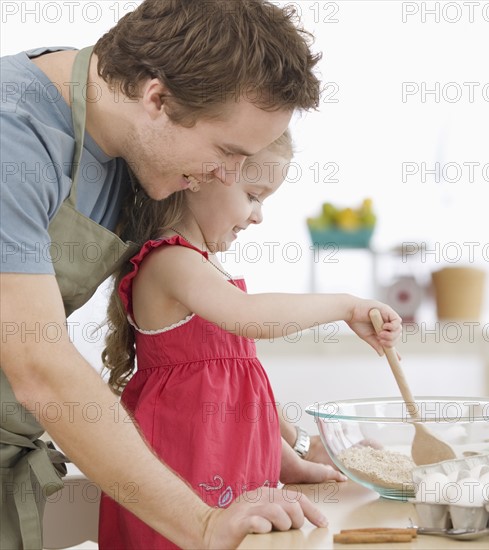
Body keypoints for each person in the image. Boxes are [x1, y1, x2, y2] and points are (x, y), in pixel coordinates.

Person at [0, 1, 338, 548]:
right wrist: (203, 522)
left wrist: (278, 446)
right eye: (227, 153)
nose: (224, 178)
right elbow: (40, 365)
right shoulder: (12, 135)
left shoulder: (137, 155)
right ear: (157, 98)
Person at [97, 130, 402, 548]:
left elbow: (239, 395)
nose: (258, 216)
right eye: (254, 195)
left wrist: (294, 458)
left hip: (222, 478)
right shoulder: (171, 261)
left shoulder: (206, 270)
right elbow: (251, 318)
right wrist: (345, 305)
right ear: (201, 175)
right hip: (185, 479)